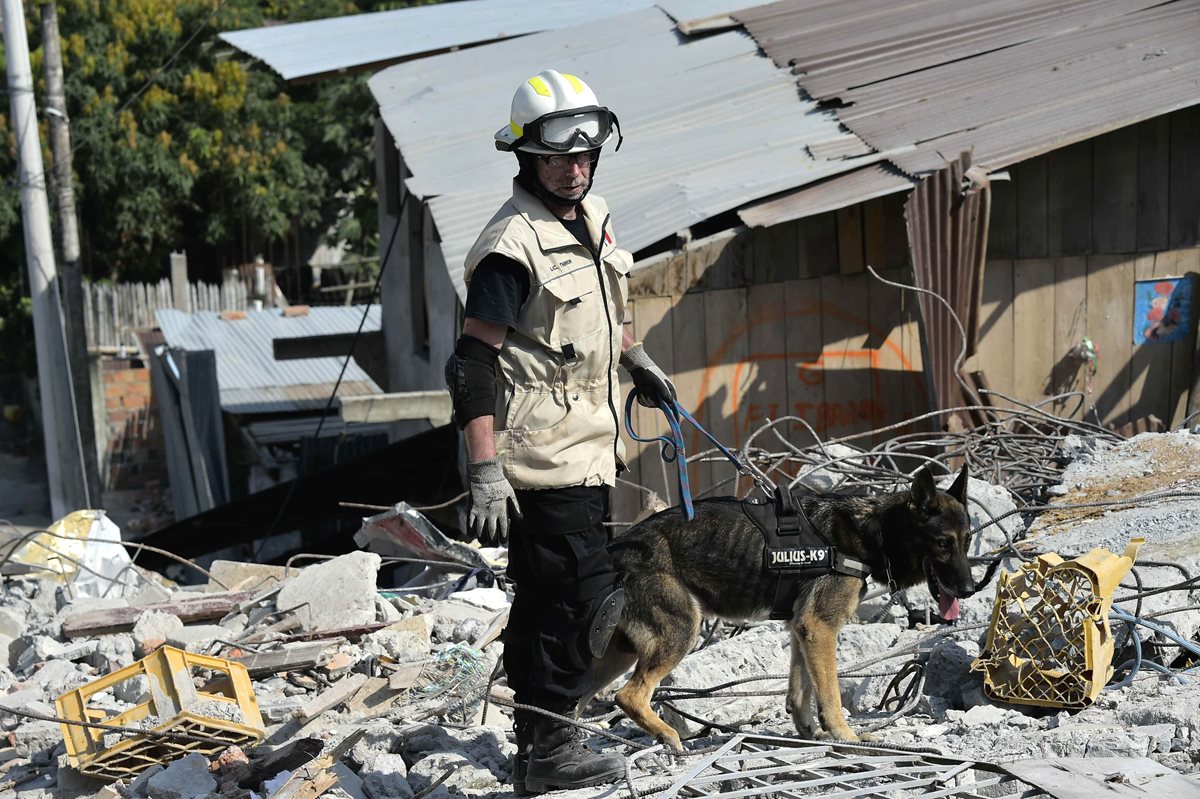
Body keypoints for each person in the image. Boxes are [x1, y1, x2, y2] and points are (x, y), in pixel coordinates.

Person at [444, 69, 676, 794]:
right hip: (540, 459)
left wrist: (634, 354)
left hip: (592, 448)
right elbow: (471, 364)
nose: (573, 170)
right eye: (556, 159)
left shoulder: (593, 214)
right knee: (579, 597)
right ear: (526, 159)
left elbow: (610, 303)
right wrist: (484, 468)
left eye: (582, 157)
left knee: (556, 598)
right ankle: (550, 747)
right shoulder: (512, 246)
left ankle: (544, 741)